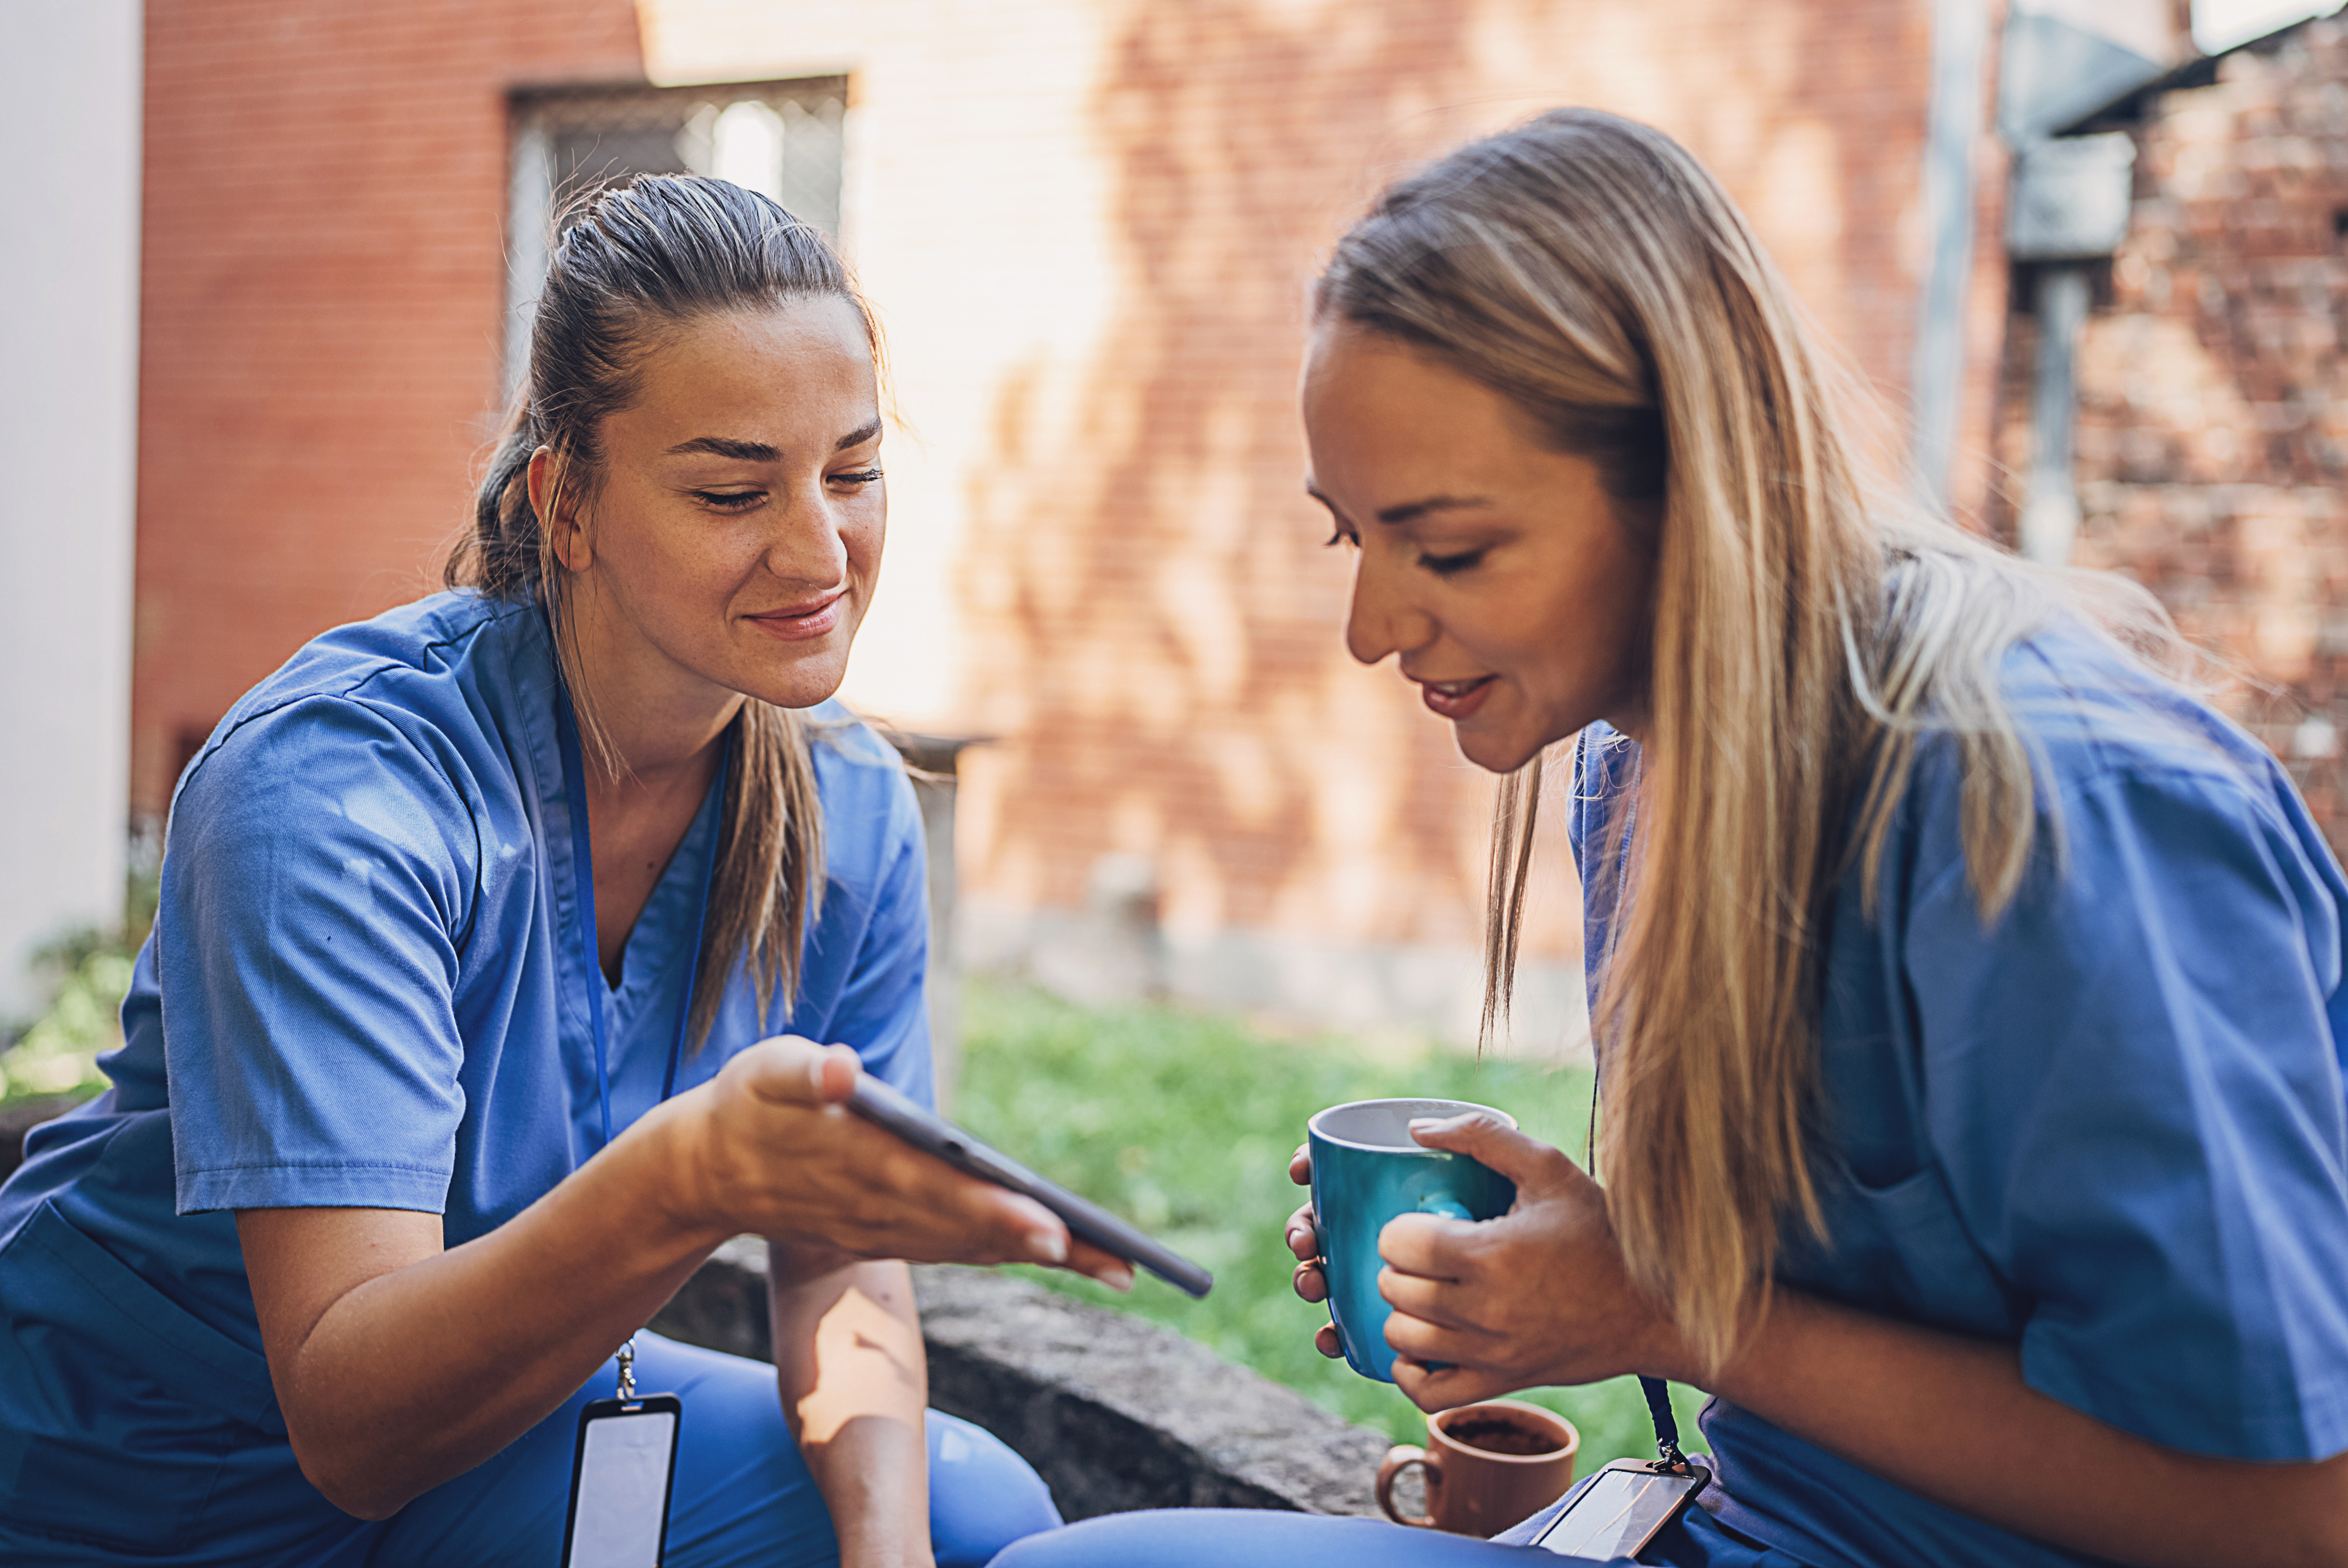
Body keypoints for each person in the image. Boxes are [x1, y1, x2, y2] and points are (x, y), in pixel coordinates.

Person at [994, 110, 2348, 1567]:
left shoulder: (2038, 808)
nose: (1370, 627)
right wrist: (1558, 1270)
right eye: (1351, 537)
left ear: (1687, 483)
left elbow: (2288, 1511)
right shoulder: (1635, 762)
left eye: (1446, 549)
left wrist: (1655, 1309)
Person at [0, 175, 1111, 1568]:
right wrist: (690, 1180)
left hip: (489, 1438)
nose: (819, 549)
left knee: (970, 1512)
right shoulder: (338, 794)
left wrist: (882, 1560)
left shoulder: (840, 805)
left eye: (852, 469)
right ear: (564, 501)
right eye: (731, 488)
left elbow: (838, 1253)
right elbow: (352, 1428)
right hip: (137, 1483)